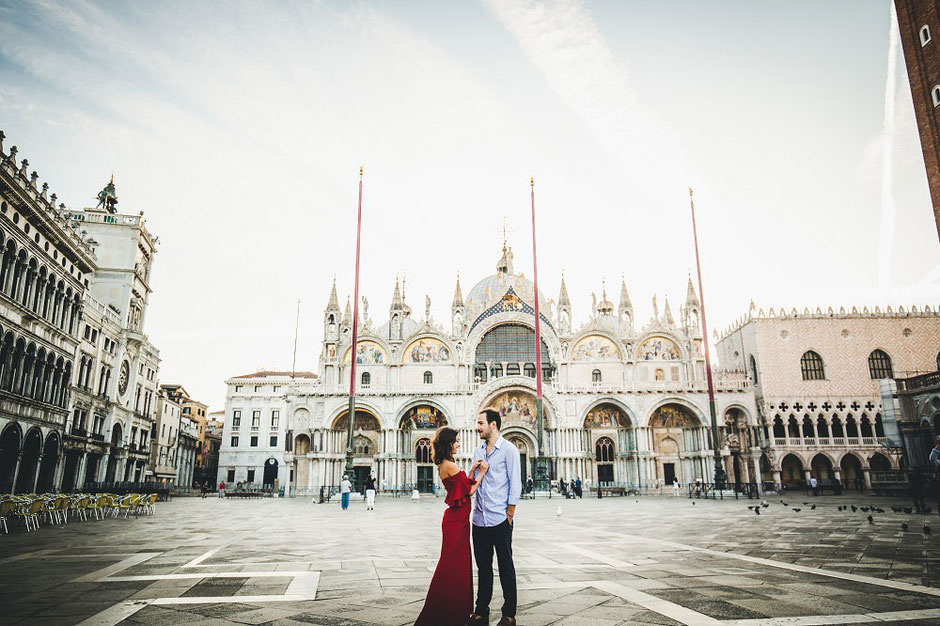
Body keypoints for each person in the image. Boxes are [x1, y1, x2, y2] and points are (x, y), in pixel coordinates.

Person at [414, 427, 487, 626]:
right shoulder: (449, 465)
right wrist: (482, 473)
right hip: (456, 522)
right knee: (453, 566)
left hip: (457, 520)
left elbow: (461, 485)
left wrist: (472, 471)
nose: (458, 444)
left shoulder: (446, 464)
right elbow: (470, 490)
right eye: (455, 441)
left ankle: (450, 610)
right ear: (448, 443)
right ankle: (448, 611)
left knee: (455, 565)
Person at [468, 409, 521, 626]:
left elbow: (514, 483)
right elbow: (472, 482)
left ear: (493, 424)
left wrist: (509, 514)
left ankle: (509, 614)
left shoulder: (509, 450)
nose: (477, 427)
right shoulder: (478, 450)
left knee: (506, 566)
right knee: (483, 568)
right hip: (479, 519)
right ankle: (482, 611)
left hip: (500, 518)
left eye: (480, 423)